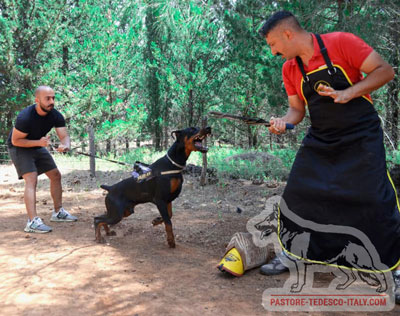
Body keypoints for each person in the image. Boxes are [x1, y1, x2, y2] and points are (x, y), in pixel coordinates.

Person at [257, 11, 400, 303]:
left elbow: (386, 71)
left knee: (375, 197)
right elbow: (297, 111)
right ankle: (292, 255)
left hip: (361, 134)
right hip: (323, 136)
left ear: (287, 34)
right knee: (297, 194)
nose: (273, 52)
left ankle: (396, 269)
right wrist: (283, 123)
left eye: (273, 44)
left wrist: (350, 92)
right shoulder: (290, 69)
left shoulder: (342, 43)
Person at [7, 86, 78, 233]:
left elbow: (64, 136)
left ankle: (58, 212)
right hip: (19, 146)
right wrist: (39, 143)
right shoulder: (25, 116)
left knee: (55, 175)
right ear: (37, 100)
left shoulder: (55, 115)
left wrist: (65, 145)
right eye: (48, 98)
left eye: (53, 98)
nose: (52, 101)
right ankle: (32, 222)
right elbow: (16, 141)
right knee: (31, 179)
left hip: (38, 144)